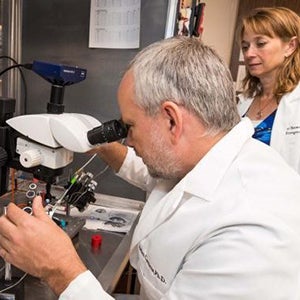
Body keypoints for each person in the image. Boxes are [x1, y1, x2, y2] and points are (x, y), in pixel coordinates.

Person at [1, 36, 300, 300]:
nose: (128, 141)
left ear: (171, 119)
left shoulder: (250, 235)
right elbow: (150, 173)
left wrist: (59, 269)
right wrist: (91, 139)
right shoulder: (208, 157)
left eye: (129, 126)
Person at [237, 6, 300, 174]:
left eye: (261, 43)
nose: (249, 53)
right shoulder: (244, 102)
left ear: (290, 46)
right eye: (245, 46)